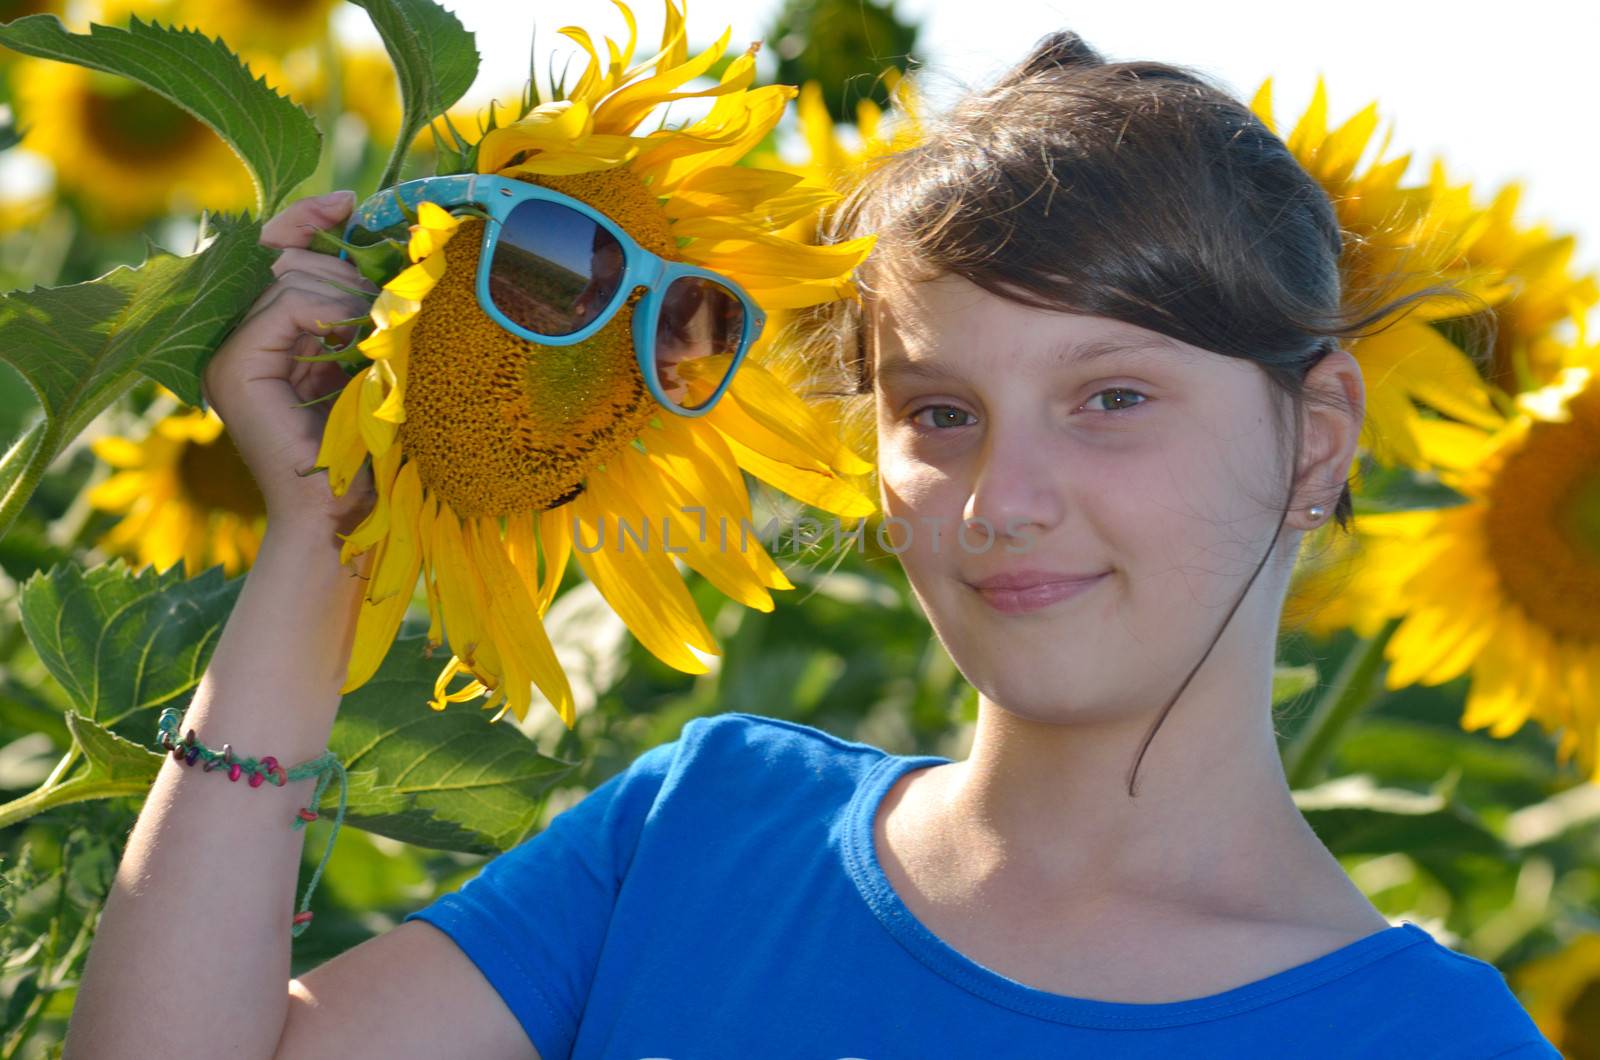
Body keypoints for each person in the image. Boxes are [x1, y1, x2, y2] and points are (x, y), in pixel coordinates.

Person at [63, 30, 1561, 1060]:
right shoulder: (706, 829)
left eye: (1112, 399)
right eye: (941, 411)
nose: (1002, 500)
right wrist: (335, 530)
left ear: (1316, 437)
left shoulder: (1421, 1040)